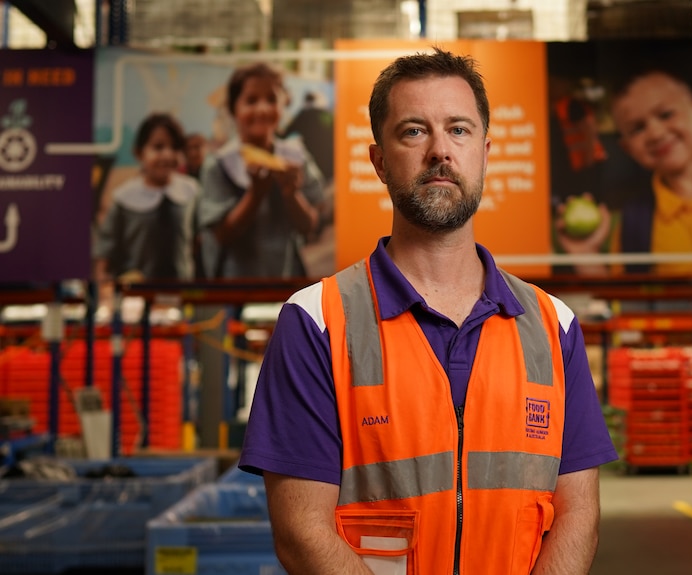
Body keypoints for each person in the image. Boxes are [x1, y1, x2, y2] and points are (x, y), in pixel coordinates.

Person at [238, 47, 618, 575]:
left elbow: (579, 515)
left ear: (485, 151)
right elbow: (303, 534)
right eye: (414, 131)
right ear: (378, 160)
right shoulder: (316, 323)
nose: (441, 150)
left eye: (459, 130)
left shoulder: (553, 326)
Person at [556, 66, 692, 276]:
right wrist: (586, 255)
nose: (656, 134)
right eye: (638, 128)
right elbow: (624, 301)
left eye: (666, 114)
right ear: (627, 148)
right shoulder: (634, 223)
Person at [197, 62, 325, 279]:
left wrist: (291, 194)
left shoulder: (296, 158)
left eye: (272, 99)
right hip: (232, 291)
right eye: (251, 100)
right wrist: (255, 195)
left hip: (284, 287)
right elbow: (222, 235)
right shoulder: (218, 165)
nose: (263, 109)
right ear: (233, 109)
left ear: (283, 105)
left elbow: (309, 226)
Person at [93, 112, 199, 287]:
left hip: (182, 293)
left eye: (174, 148)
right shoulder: (123, 197)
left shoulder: (191, 191)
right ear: (139, 153)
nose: (167, 155)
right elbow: (105, 253)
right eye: (158, 147)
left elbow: (198, 242)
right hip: (136, 296)